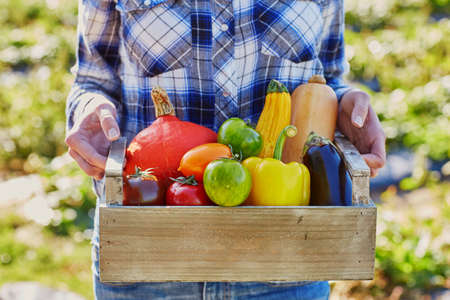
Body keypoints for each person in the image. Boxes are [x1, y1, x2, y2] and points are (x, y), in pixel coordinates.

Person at [65, 0, 386, 299]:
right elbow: (93, 79)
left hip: (286, 261)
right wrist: (89, 108)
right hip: (147, 259)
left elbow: (327, 75)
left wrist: (345, 104)